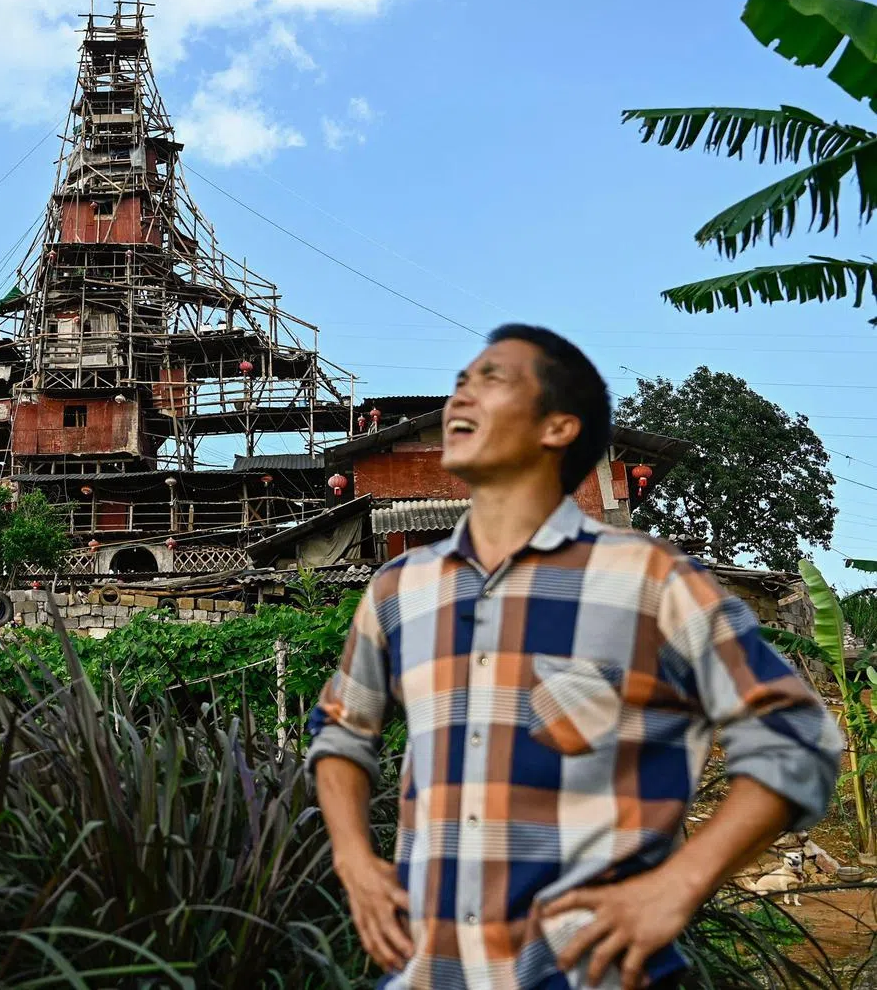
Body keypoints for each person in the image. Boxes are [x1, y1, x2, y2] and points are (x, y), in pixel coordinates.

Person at [306, 324, 842, 990]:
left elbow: (796, 736)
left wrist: (678, 884)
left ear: (558, 427)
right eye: (459, 384)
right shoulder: (398, 590)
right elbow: (339, 731)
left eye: (490, 379)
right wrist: (356, 863)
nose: (459, 399)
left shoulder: (651, 582)